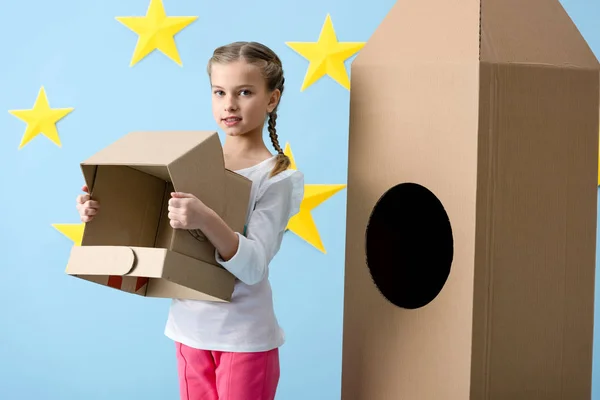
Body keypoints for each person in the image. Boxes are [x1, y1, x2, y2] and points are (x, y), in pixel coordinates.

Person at [75, 41, 305, 400]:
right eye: (219, 92)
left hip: (244, 337)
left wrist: (205, 218)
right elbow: (152, 225)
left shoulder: (277, 177)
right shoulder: (190, 164)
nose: (229, 104)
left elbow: (254, 266)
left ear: (272, 99)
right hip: (188, 331)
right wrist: (99, 210)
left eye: (245, 92)